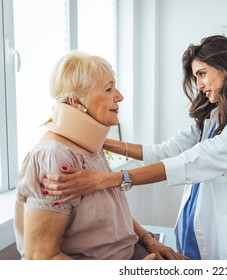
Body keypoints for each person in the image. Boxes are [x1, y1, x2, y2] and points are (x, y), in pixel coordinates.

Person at [42, 35, 227, 260]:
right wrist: (99, 140)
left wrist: (102, 179)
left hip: (224, 238)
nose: (199, 85)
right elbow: (164, 151)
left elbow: (190, 162)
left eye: (202, 74)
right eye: (196, 77)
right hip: (191, 228)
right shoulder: (213, 118)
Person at [13, 51, 186, 260]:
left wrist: (148, 240)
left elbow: (112, 213)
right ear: (77, 103)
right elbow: (41, 257)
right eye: (108, 89)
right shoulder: (55, 157)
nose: (120, 96)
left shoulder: (91, 148)